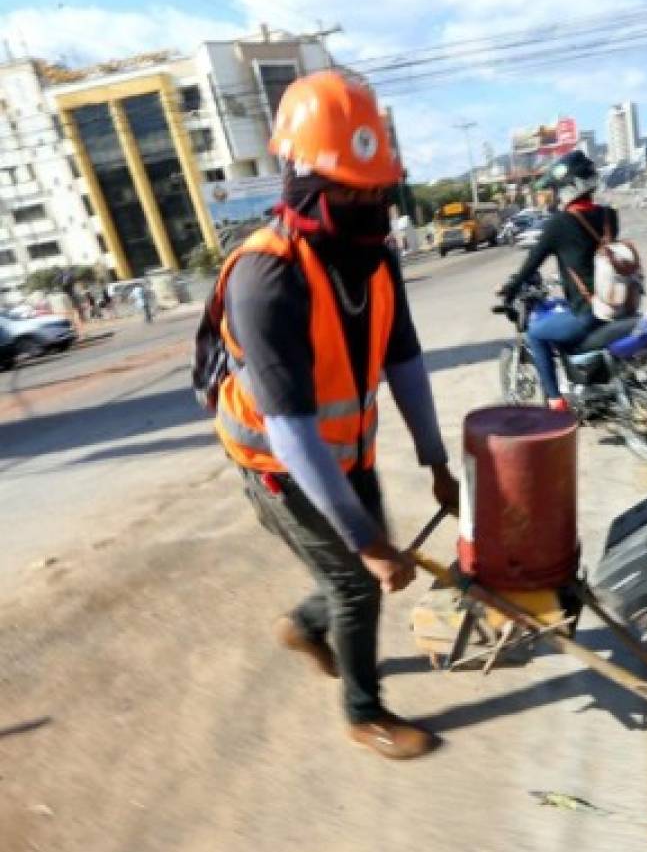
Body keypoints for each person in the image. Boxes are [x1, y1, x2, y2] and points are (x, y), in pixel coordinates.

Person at [211, 71, 459, 761]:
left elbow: (403, 359)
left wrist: (435, 458)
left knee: (361, 572)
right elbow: (289, 431)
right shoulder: (266, 278)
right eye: (351, 189)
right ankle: (363, 711)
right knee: (360, 579)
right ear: (302, 181)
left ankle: (303, 626)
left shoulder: (374, 257)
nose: (368, 203)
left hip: (349, 455)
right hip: (278, 469)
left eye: (376, 189)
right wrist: (369, 543)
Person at [496, 150, 617, 411]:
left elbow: (530, 265)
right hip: (615, 305)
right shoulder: (609, 216)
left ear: (567, 187)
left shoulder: (559, 225)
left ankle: (555, 401)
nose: (554, 195)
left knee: (535, 334)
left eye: (556, 189)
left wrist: (510, 289)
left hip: (588, 313)